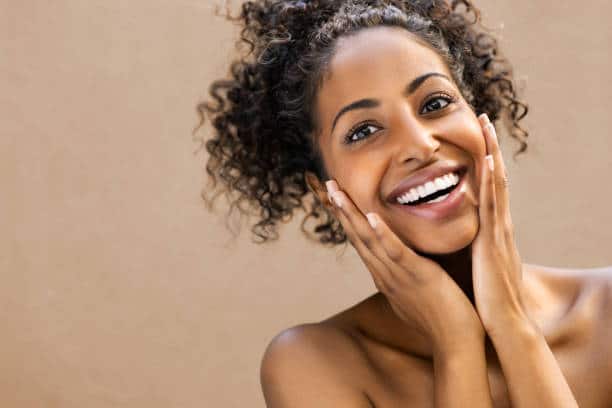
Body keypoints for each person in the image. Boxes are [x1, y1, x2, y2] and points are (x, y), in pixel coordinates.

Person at [196, 0, 612, 406]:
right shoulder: (316, 365)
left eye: (435, 103)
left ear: (478, 120)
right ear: (326, 191)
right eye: (363, 131)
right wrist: (456, 343)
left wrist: (512, 324)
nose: (418, 144)